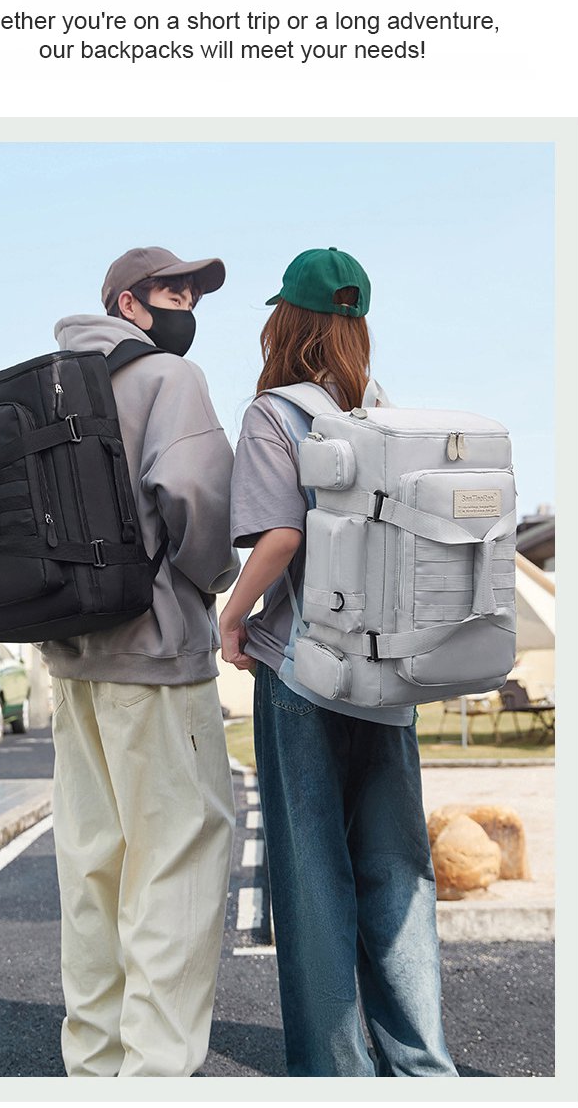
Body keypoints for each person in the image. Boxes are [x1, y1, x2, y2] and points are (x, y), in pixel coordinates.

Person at [219, 247, 458, 1078]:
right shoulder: (389, 417)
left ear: (283, 322)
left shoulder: (273, 416)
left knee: (313, 876)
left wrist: (233, 617)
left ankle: (336, 1076)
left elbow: (281, 537)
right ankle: (423, 1069)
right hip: (389, 681)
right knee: (398, 873)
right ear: (357, 327)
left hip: (304, 677)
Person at [42, 246, 239, 1078]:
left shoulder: (51, 382)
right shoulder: (169, 379)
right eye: (171, 288)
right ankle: (155, 1079)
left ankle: (94, 1068)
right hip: (155, 655)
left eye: (193, 290)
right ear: (127, 302)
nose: (186, 299)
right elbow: (198, 505)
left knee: (94, 867)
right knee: (176, 863)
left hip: (72, 660)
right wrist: (214, 581)